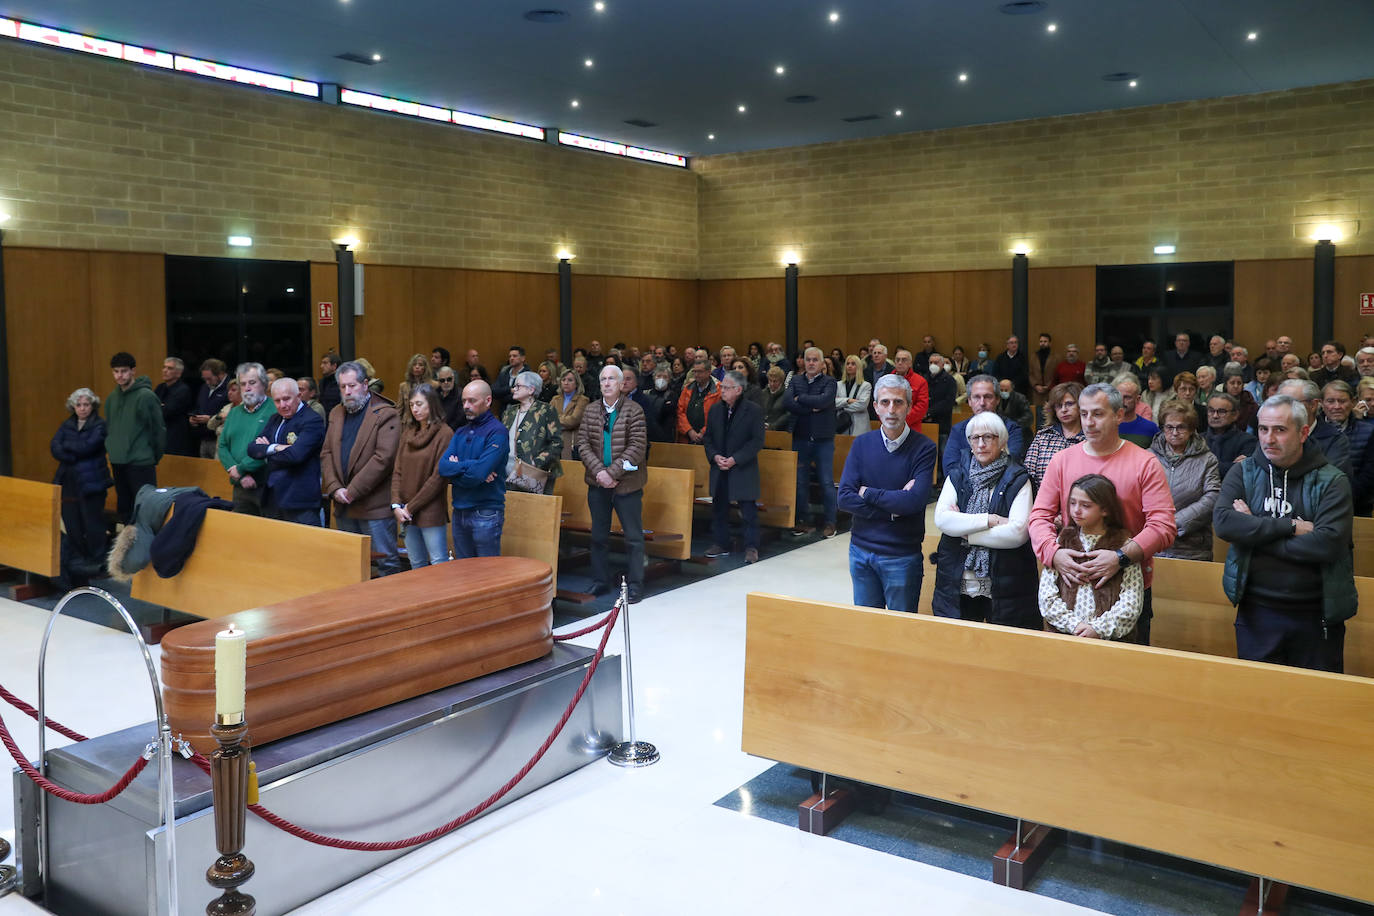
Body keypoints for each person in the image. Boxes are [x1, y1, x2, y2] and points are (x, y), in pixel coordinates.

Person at [1213, 395, 1354, 672]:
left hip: (1315, 615)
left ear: (1303, 432)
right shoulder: (1243, 471)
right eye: (1263, 429)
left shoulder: (1332, 480)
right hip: (1256, 611)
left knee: (1315, 706)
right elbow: (1224, 523)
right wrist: (1288, 526)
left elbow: (1326, 544)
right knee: (1259, 704)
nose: (1268, 439)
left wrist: (1253, 530)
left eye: (1280, 429)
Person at [1028, 383, 1177, 645]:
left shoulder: (1145, 463)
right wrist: (1054, 553)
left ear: (1119, 415)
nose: (1088, 422)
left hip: (1126, 588)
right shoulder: (1062, 460)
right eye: (1084, 414)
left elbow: (1163, 526)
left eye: (1098, 414)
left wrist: (1120, 557)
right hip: (1070, 587)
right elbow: (1039, 516)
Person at [837, 375, 937, 612]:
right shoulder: (861, 444)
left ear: (909, 406)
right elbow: (844, 498)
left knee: (900, 632)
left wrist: (867, 493)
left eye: (898, 402)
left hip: (901, 556)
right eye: (885, 402)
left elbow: (914, 501)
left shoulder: (924, 448)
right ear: (875, 407)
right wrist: (892, 510)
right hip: (860, 552)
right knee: (867, 629)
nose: (891, 409)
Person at [932, 411, 1038, 627]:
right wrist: (989, 520)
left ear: (1002, 441)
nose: (981, 444)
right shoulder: (958, 475)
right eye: (975, 438)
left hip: (1004, 586)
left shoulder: (1019, 478)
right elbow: (942, 520)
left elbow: (1017, 533)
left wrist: (965, 533)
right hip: (957, 582)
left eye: (989, 437)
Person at [1038, 474, 1146, 640]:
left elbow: (1131, 602)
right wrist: (1075, 625)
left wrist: (1098, 629)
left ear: (1105, 509)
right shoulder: (1063, 540)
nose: (1076, 510)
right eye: (1072, 503)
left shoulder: (1124, 545)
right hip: (1064, 636)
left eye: (1085, 505)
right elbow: (1047, 595)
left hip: (1111, 642)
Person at [321, 360, 402, 575]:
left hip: (374, 506)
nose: (347, 392)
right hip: (343, 504)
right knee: (350, 564)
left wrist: (352, 491)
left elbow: (383, 459)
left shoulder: (386, 413)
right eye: (342, 387)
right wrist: (335, 488)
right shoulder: (336, 413)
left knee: (386, 563)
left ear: (365, 385)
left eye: (352, 385)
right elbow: (326, 453)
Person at [578, 365, 649, 602]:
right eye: (603, 379)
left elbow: (637, 446)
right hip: (597, 484)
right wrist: (600, 473)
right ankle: (600, 581)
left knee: (633, 538)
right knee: (598, 536)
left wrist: (612, 472)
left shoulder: (634, 410)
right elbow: (583, 444)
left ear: (621, 384)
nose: (606, 383)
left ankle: (636, 584)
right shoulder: (590, 411)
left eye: (611, 379)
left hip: (626, 484)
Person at [440, 379, 509, 558]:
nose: (466, 406)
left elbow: (477, 475)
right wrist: (472, 466)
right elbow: (443, 468)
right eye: (463, 401)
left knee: (487, 575)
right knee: (464, 573)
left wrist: (458, 468)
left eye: (472, 401)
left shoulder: (497, 432)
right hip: (459, 510)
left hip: (485, 511)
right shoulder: (460, 432)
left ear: (488, 401)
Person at [703, 370, 766, 563]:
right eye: (721, 387)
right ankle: (721, 543)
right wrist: (715, 457)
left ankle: (751, 547)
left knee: (748, 511)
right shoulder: (715, 409)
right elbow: (708, 438)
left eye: (727, 387)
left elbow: (757, 442)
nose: (722, 390)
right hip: (720, 466)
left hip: (742, 467)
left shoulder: (753, 410)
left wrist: (735, 459)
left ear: (738, 389)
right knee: (719, 508)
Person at [246, 377, 326, 526]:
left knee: (305, 548)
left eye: (286, 399)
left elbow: (295, 455)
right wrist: (275, 447)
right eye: (277, 401)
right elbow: (251, 449)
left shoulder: (311, 420)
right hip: (273, 498)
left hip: (300, 501)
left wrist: (266, 451)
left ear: (299, 396)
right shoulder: (275, 419)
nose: (282, 405)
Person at [50, 388, 110, 583]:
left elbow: (88, 447)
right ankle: (79, 562)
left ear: (92, 406)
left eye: (86, 405)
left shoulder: (100, 424)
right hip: (69, 482)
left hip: (92, 482)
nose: (82, 409)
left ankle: (98, 563)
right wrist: (70, 452)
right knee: (72, 523)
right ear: (73, 406)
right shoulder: (67, 424)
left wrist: (68, 449)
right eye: (79, 405)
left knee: (93, 524)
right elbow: (55, 446)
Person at [390, 382, 453, 568]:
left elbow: (438, 478)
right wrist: (396, 504)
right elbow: (397, 471)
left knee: (438, 562)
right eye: (411, 405)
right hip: (404, 512)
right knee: (415, 563)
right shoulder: (408, 433)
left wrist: (410, 508)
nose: (414, 409)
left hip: (430, 510)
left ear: (431, 404)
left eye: (419, 404)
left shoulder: (445, 433)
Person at [1149, 400, 1221, 561]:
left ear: (1191, 429)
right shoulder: (1148, 457)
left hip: (1192, 548)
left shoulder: (1207, 459)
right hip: (1153, 543)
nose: (1174, 432)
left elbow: (1213, 497)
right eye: (1169, 427)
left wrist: (1175, 523)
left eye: (1181, 427)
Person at [784, 346, 840, 538]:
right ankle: (803, 520)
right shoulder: (796, 380)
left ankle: (830, 522)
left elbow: (824, 401)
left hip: (823, 439)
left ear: (822, 363)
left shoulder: (830, 382)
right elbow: (788, 403)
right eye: (808, 359)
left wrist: (802, 399)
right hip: (800, 437)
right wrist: (810, 407)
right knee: (800, 482)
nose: (811, 363)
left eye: (815, 360)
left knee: (826, 482)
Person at [105, 351, 165, 525]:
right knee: (124, 509)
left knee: (145, 509)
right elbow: (109, 427)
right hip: (118, 461)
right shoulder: (112, 398)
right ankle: (128, 548)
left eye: (124, 371)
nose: (119, 375)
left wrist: (153, 455)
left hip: (140, 461)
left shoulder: (145, 396)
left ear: (133, 371)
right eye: (116, 371)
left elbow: (158, 430)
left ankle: (146, 550)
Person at [217, 362, 275, 515]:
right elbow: (222, 446)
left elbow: (270, 448)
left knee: (269, 534)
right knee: (241, 534)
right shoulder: (234, 412)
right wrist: (240, 474)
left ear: (264, 384)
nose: (247, 388)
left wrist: (242, 469)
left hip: (267, 485)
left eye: (252, 383)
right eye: (243, 384)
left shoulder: (274, 410)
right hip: (239, 486)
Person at [946, 375, 1025, 473]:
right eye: (976, 397)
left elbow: (1013, 462)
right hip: (964, 487)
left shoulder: (1011, 428)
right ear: (969, 401)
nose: (982, 403)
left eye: (988, 397)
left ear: (997, 400)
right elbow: (950, 467)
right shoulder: (958, 430)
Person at [502, 370, 563, 494]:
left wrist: (536, 462)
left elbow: (556, 443)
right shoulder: (510, 411)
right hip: (508, 470)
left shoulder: (546, 410)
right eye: (514, 386)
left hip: (535, 473)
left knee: (535, 511)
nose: (514, 389)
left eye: (518, 386)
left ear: (531, 390)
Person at [1278, 378, 1352, 481]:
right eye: (1281, 403)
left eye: (1292, 403)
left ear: (1313, 405)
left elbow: (1331, 482)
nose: (1284, 409)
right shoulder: (1272, 435)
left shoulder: (1335, 440)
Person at [1319, 380, 1374, 514]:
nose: (1337, 406)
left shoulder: (1369, 431)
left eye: (1342, 401)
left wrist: (1344, 496)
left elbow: (1369, 472)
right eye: (1330, 401)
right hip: (1317, 502)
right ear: (1321, 403)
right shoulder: (1311, 431)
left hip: (1357, 503)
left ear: (1353, 402)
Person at [1023, 381, 1084, 489]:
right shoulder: (1043, 437)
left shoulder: (1090, 438)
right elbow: (1028, 474)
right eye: (1059, 406)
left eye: (1069, 404)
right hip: (1043, 499)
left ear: (1081, 406)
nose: (1064, 409)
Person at [190, 358, 231, 458]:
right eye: (205, 379)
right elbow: (198, 406)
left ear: (220, 374)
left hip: (219, 439)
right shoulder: (204, 388)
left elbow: (232, 413)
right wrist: (193, 417)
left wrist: (211, 418)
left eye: (209, 378)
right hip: (203, 438)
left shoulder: (231, 388)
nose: (207, 382)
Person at [1204, 392, 1258, 467]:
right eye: (1211, 411)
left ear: (1235, 415)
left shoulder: (1248, 441)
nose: (1215, 416)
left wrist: (1203, 466)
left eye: (1221, 411)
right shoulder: (1199, 440)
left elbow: (1239, 471)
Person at [155, 356, 194, 456]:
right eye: (164, 367)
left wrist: (159, 407)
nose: (165, 371)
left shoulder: (183, 390)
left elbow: (167, 412)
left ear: (179, 373)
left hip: (175, 437)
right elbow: (149, 408)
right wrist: (161, 406)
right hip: (159, 435)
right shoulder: (160, 388)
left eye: (170, 368)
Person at [676, 359, 720, 444]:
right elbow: (680, 412)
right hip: (687, 437)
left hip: (710, 439)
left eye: (700, 371)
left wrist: (703, 432)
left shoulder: (718, 391)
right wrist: (689, 431)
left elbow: (718, 416)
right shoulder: (687, 388)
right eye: (694, 371)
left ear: (708, 372)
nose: (696, 374)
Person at [1115, 375, 1160, 447]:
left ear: (1138, 399)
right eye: (1119, 397)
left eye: (1127, 397)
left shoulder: (1150, 428)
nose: (1122, 401)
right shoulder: (1106, 425)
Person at [556, 368, 590, 458]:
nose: (566, 383)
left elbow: (573, 421)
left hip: (572, 442)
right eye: (563, 380)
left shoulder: (583, 400)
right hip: (556, 443)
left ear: (576, 383)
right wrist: (564, 420)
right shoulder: (555, 399)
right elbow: (547, 419)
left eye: (570, 380)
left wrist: (556, 419)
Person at [995, 378, 1033, 457]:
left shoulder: (1020, 398)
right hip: (1001, 433)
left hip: (1020, 433)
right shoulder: (996, 399)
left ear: (1012, 389)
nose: (1003, 392)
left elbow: (1028, 417)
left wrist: (1013, 425)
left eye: (1006, 390)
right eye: (1001, 390)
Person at [834, 354, 871, 435]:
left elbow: (862, 405)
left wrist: (842, 406)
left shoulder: (865, 385)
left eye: (853, 364)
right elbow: (833, 403)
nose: (849, 366)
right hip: (842, 423)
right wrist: (848, 400)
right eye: (848, 364)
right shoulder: (838, 384)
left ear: (858, 367)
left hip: (859, 424)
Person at [396, 353, 435, 424]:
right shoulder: (403, 386)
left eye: (420, 365)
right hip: (408, 424)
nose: (417, 367)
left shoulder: (433, 385)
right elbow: (399, 409)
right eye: (414, 365)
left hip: (427, 423)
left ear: (425, 368)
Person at [1028, 333, 1060, 419]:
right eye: (1041, 341)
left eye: (1045, 341)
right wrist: (1036, 385)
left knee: (1050, 415)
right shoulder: (1033, 356)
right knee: (1037, 416)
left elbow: (1056, 374)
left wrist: (1048, 386)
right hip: (1036, 391)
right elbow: (1030, 373)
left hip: (1050, 390)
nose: (1043, 343)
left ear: (1050, 343)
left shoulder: (1056, 357)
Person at [492, 345, 528, 410]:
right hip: (503, 413)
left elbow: (520, 398)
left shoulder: (527, 375)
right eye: (510, 356)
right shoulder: (504, 373)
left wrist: (502, 396)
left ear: (523, 358)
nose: (511, 358)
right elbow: (494, 391)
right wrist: (509, 390)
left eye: (514, 356)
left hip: (520, 411)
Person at [762, 365, 790, 431]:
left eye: (775, 381)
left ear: (781, 381)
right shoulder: (763, 393)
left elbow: (788, 415)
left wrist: (773, 426)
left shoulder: (787, 394)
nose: (772, 384)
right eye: (770, 380)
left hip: (779, 432)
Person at [318, 351, 342, 416]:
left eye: (325, 363)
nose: (321, 366)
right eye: (322, 363)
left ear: (334, 366)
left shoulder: (341, 382)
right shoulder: (322, 382)